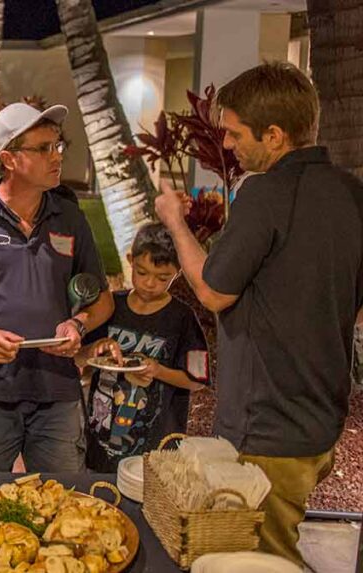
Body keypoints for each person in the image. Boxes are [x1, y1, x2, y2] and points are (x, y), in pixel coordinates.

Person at [154, 62, 363, 565]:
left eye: (235, 133)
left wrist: (176, 224)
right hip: (319, 419)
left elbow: (211, 292)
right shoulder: (353, 194)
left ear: (275, 135)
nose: (227, 145)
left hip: (266, 424)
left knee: (258, 557)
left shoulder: (266, 194)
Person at [0, 102, 114, 473]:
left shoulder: (70, 218)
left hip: (57, 389)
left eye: (58, 146)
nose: (56, 156)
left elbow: (103, 299)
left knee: (63, 501)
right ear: (9, 159)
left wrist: (78, 325)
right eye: (43, 148)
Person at [75, 223, 209, 472]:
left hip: (155, 452)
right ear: (130, 260)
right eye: (142, 272)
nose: (150, 284)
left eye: (162, 278)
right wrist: (93, 350)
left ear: (177, 273)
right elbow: (79, 364)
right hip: (98, 442)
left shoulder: (182, 318)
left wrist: (159, 371)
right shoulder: (110, 307)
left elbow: (197, 380)